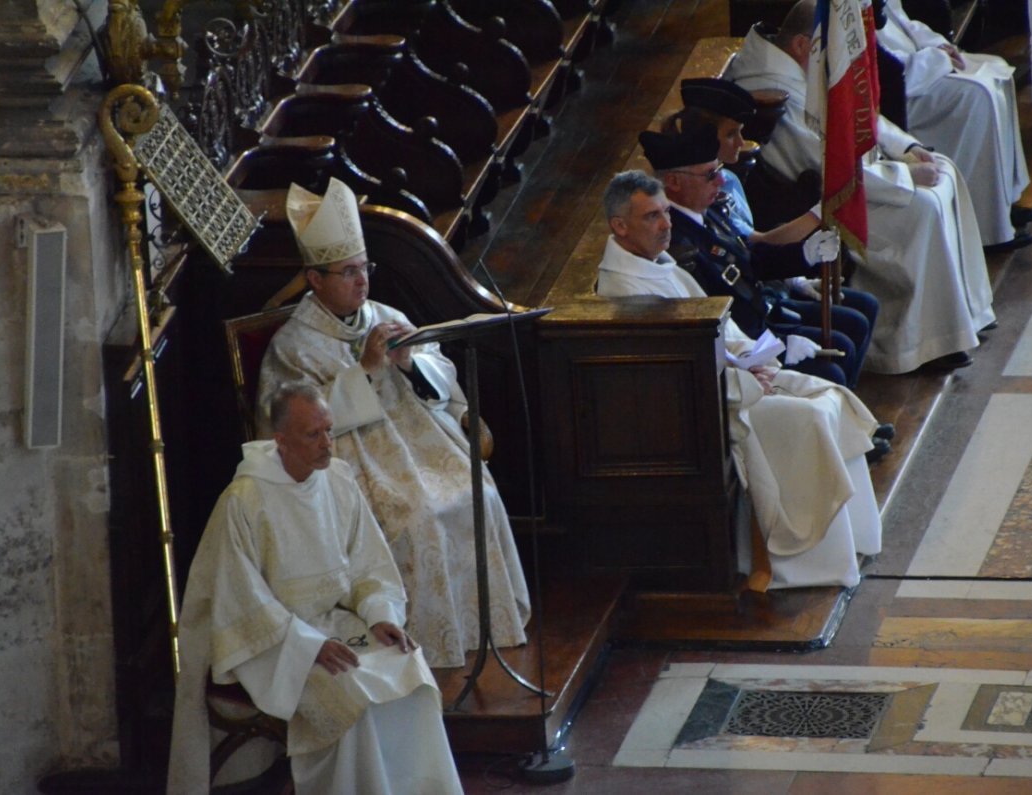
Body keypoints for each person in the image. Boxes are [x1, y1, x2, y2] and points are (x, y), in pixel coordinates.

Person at [256, 177, 530, 669]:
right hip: (351, 462)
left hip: (422, 446)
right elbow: (292, 429)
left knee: (479, 493)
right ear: (315, 280)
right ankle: (428, 646)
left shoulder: (385, 313)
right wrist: (362, 370)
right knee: (419, 517)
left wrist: (409, 363)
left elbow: (442, 385)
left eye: (365, 269)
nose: (362, 282)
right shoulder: (293, 345)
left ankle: (483, 629)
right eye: (347, 272)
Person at [168, 383, 463, 795]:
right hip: (275, 644)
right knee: (350, 696)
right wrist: (307, 647)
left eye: (329, 430)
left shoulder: (338, 481)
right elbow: (240, 599)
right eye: (313, 435)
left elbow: (369, 565)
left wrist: (380, 615)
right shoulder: (244, 500)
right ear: (281, 441)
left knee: (409, 670)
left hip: (336, 623)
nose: (328, 444)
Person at [596, 169, 882, 590]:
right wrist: (749, 380)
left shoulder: (660, 266)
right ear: (619, 226)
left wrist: (759, 359)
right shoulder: (626, 289)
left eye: (664, 213)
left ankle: (852, 540)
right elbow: (674, 373)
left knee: (830, 396)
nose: (666, 224)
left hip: (739, 382)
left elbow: (721, 329)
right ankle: (810, 561)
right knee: (810, 419)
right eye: (651, 217)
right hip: (712, 408)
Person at [725, 0, 996, 374]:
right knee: (923, 208)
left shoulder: (806, 60)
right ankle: (916, 344)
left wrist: (907, 147)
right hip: (828, 195)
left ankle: (966, 316)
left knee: (944, 170)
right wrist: (904, 177)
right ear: (803, 45)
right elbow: (824, 167)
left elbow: (858, 109)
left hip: (863, 174)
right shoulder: (771, 86)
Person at [666, 76, 881, 389]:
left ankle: (849, 421)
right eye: (709, 175)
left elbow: (746, 253)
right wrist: (772, 344)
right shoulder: (682, 240)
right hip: (748, 332)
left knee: (853, 328)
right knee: (836, 362)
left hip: (759, 310)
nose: (719, 181)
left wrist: (803, 258)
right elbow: (732, 289)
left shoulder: (708, 205)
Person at [876, 0, 1032, 249]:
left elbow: (904, 22)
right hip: (905, 90)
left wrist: (938, 45)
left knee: (998, 71)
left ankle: (1002, 205)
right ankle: (985, 229)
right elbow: (886, 65)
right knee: (978, 95)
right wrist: (937, 58)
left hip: (924, 65)